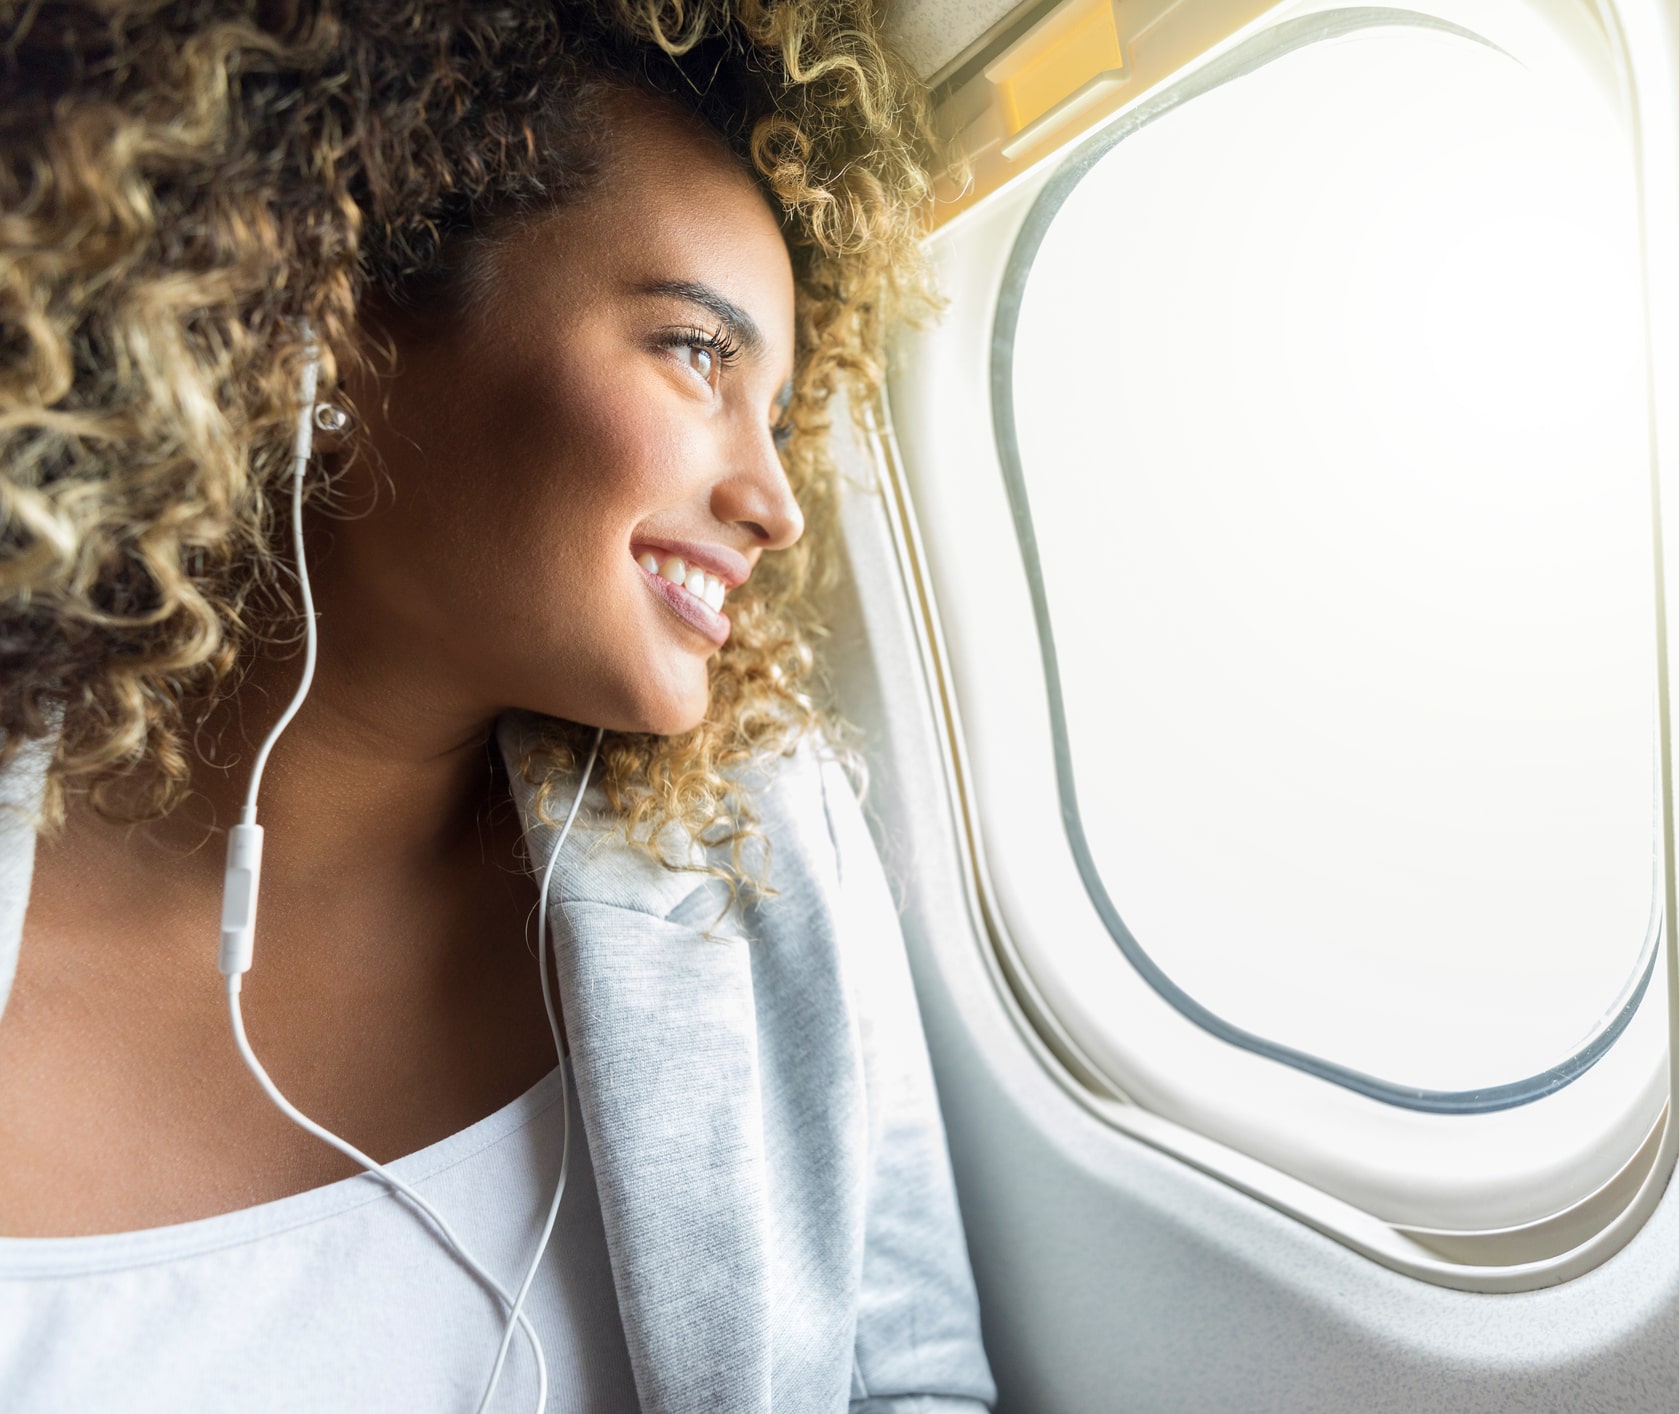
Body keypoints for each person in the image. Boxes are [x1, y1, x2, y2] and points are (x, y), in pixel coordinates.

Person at [0, 2, 995, 1411]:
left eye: (775, 409)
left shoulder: (755, 851)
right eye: (697, 355)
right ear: (332, 318)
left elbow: (909, 1381)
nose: (772, 504)